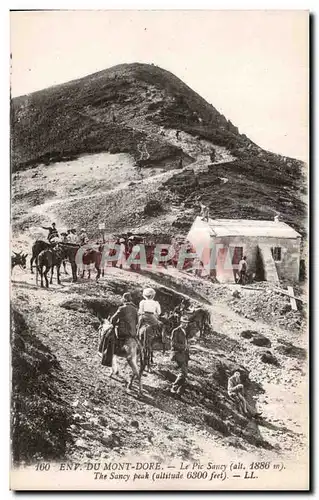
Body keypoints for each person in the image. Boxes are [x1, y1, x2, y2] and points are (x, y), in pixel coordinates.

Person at [170, 316, 190, 395]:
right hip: (178, 353)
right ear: (181, 322)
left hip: (184, 354)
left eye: (186, 323)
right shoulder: (176, 331)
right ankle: (174, 387)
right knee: (183, 372)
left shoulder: (184, 331)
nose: (185, 324)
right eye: (184, 323)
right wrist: (184, 347)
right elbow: (173, 343)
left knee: (185, 374)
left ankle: (179, 393)